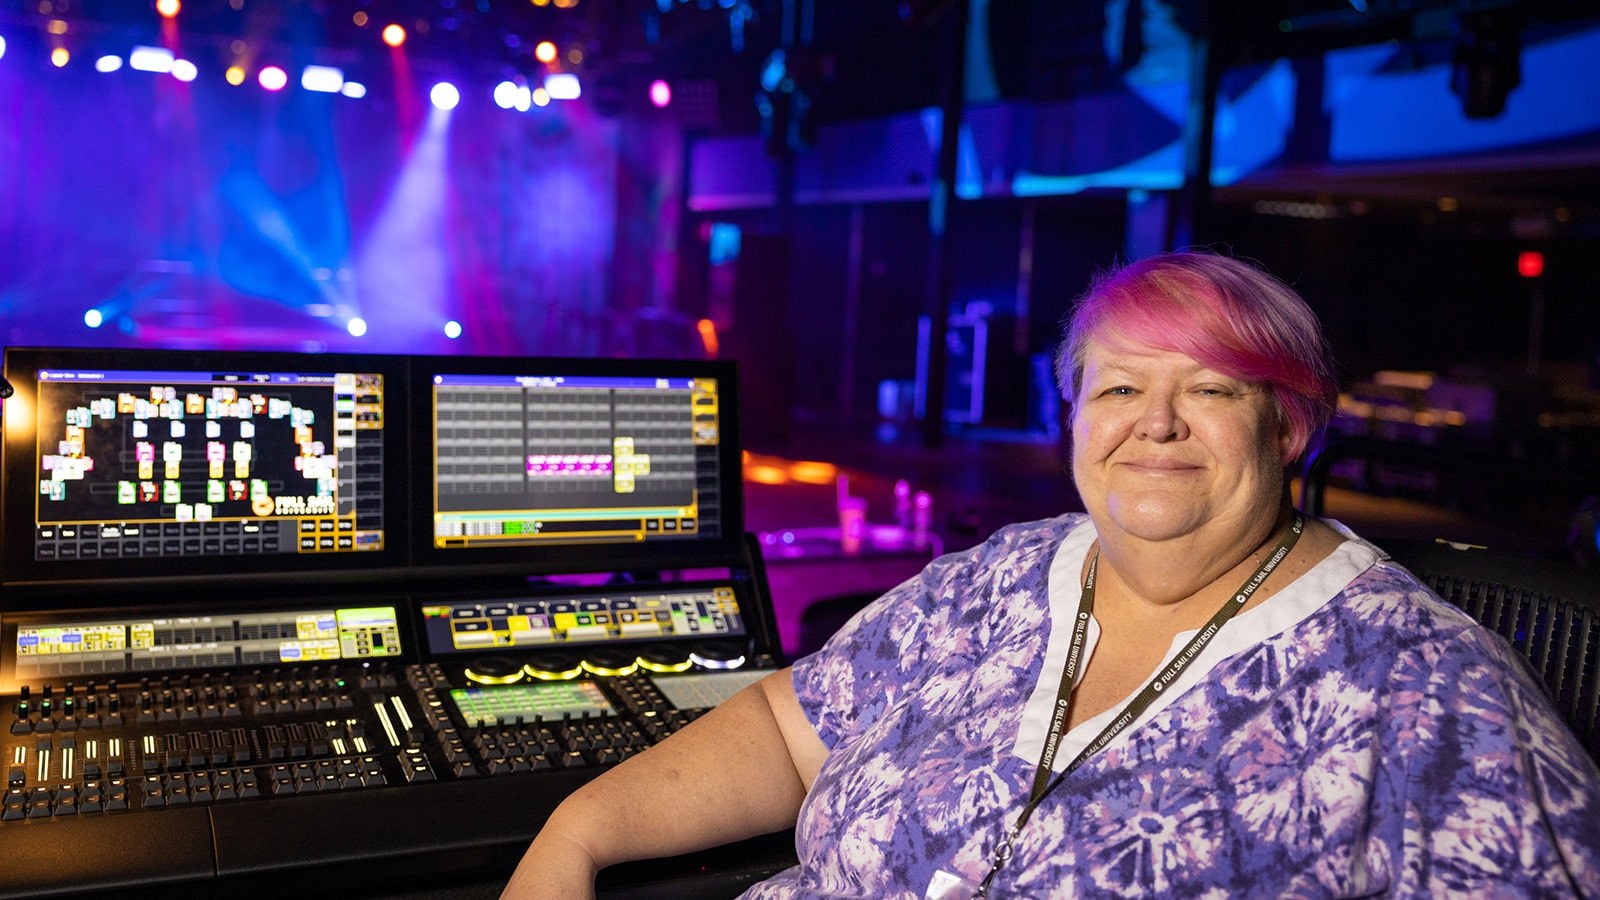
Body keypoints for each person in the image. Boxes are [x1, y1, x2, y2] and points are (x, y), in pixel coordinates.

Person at [504, 250, 1600, 898]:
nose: (1155, 424)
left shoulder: (1434, 692)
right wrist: (576, 833)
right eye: (1118, 389)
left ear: (1290, 426)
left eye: (1212, 390)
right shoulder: (995, 577)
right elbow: (793, 732)